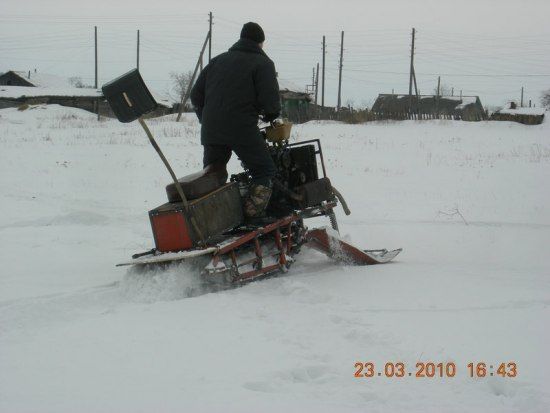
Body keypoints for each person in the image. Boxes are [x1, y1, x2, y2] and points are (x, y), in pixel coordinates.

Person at [190, 22, 281, 218]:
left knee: (213, 176)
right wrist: (271, 115)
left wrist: (205, 118)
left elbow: (195, 95)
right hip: (241, 128)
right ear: (260, 43)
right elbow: (270, 100)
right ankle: (252, 217)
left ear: (241, 39)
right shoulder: (263, 63)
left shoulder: (217, 61)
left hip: (211, 131)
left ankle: (210, 221)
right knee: (264, 170)